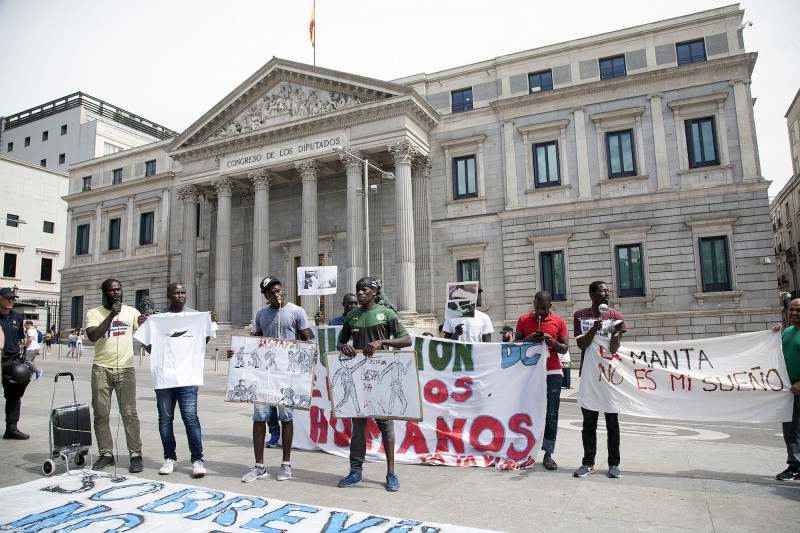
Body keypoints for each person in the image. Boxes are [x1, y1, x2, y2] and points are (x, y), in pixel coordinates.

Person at [134, 283, 218, 478]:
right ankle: (170, 458)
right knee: (165, 420)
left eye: (183, 292)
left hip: (188, 376)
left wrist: (209, 323)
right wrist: (143, 326)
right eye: (176, 292)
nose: (180, 295)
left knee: (191, 419)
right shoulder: (157, 318)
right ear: (168, 295)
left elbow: (201, 343)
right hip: (164, 377)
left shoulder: (195, 316)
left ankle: (197, 459)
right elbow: (150, 349)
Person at [336, 276, 412, 491]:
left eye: (364, 289)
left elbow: (406, 340)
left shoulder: (387, 314)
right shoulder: (352, 316)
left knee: (386, 426)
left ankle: (391, 473)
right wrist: (344, 347)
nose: (360, 293)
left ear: (374, 291)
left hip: (382, 380)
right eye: (358, 290)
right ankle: (355, 471)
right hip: (359, 380)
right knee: (357, 428)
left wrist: (382, 341)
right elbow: (340, 341)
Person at [233, 276, 311, 483]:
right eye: (270, 293)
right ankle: (259, 465)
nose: (275, 295)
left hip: (287, 376)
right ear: (266, 296)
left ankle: (286, 463)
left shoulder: (296, 311)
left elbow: (306, 339)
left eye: (277, 290)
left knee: (286, 417)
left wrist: (310, 354)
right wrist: (237, 352)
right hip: (263, 375)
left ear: (283, 290)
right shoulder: (261, 314)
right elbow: (253, 342)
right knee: (260, 417)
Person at [85, 279, 144, 473]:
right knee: (101, 412)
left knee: (129, 413)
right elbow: (94, 336)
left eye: (119, 289)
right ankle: (106, 453)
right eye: (112, 290)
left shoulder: (131, 312)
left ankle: (135, 454)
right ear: (105, 293)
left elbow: (143, 334)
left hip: (126, 369)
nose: (117, 293)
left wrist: (144, 323)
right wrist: (112, 315)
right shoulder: (94, 313)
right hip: (101, 368)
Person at [572, 281, 626, 479]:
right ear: (592, 294)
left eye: (608, 291)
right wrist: (594, 329)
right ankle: (588, 463)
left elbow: (614, 348)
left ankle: (614, 464)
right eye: (603, 291)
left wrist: (615, 333)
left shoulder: (616, 317)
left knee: (612, 422)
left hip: (610, 376)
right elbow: (581, 345)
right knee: (589, 421)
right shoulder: (581, 316)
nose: (607, 294)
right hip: (589, 375)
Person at [515, 291, 569, 471]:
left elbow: (564, 348)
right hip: (529, 372)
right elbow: (516, 345)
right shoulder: (524, 319)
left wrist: (552, 343)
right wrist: (530, 340)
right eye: (537, 308)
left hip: (552, 371)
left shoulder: (559, 322)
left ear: (550, 307)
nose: (540, 312)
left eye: (544, 309)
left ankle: (548, 453)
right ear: (534, 304)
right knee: (526, 410)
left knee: (551, 414)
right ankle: (523, 450)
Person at [773, 299, 800, 480]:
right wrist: (773, 335)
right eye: (791, 309)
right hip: (789, 391)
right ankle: (794, 464)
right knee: (790, 429)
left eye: (798, 310)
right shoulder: (789, 332)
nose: (794, 313)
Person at [1, 287, 29, 440]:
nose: (11, 301)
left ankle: (11, 428)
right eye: (7, 298)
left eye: (13, 298)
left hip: (11, 360)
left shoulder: (17, 317)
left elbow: (19, 338)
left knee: (14, 395)